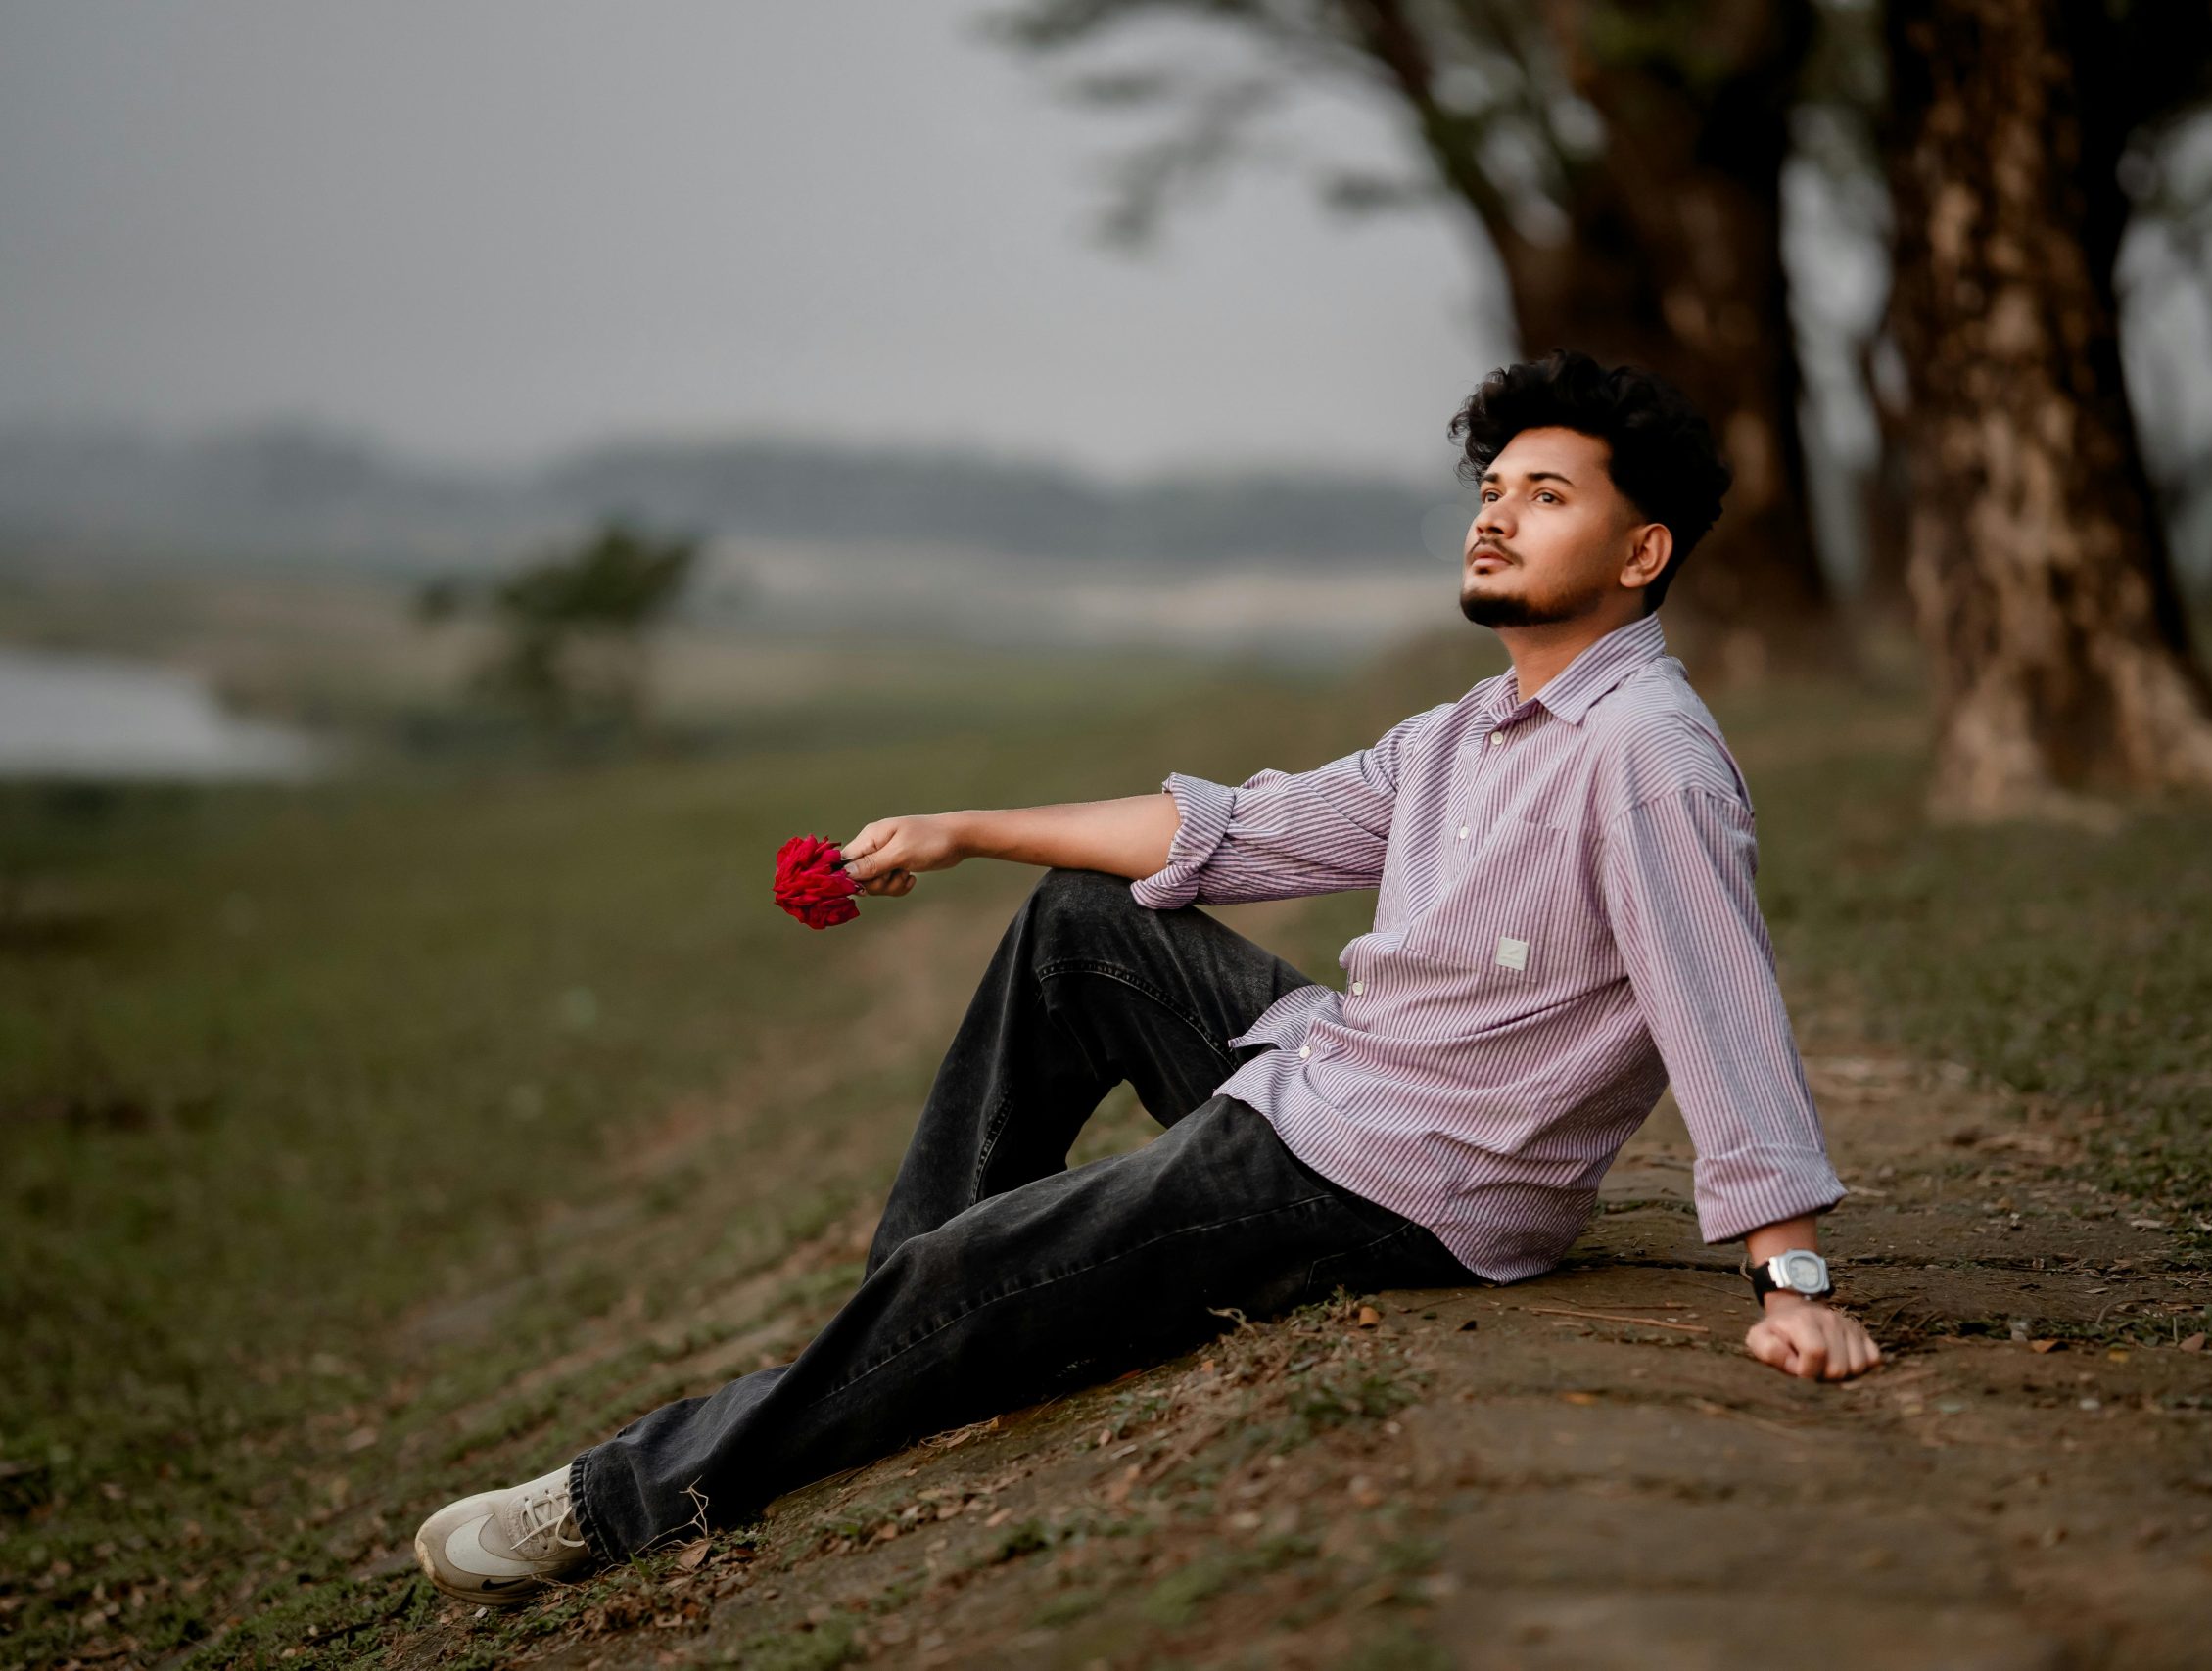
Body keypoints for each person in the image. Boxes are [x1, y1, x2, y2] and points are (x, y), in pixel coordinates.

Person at [413, 348, 1882, 1605]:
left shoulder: (1648, 757)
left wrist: (1792, 1277)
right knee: (1079, 923)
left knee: (970, 1272)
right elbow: (1229, 832)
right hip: (1337, 1076)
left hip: (1403, 1180)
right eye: (1491, 489)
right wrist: (961, 828)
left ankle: (619, 1496)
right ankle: (905, 1337)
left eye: (1546, 497)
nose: (1494, 516)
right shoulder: (1469, 730)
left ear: (1643, 554)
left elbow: (1720, 1011)